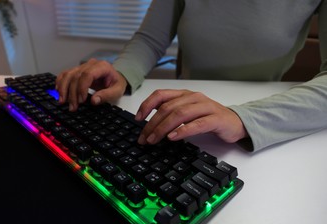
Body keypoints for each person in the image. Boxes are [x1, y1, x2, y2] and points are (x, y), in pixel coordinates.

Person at [56, 0, 327, 152]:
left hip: (265, 120)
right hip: (183, 114)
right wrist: (123, 72)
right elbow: (150, 39)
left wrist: (243, 118)